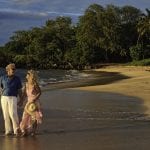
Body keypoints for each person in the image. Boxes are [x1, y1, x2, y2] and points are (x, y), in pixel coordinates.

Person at [0, 63, 22, 136]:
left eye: (14, 69)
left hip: (13, 97)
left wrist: (21, 99)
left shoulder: (17, 79)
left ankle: (16, 130)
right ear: (7, 70)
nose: (14, 70)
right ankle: (8, 131)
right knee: (5, 115)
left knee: (13, 114)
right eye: (12, 69)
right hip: (4, 98)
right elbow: (0, 88)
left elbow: (19, 90)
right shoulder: (2, 78)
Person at [20, 70, 43, 136]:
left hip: (34, 103)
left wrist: (35, 98)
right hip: (28, 102)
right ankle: (24, 130)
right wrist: (21, 100)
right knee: (25, 116)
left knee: (34, 117)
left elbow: (39, 92)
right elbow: (24, 94)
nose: (26, 75)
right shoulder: (26, 84)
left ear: (30, 76)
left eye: (27, 74)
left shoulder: (35, 84)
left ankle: (33, 131)